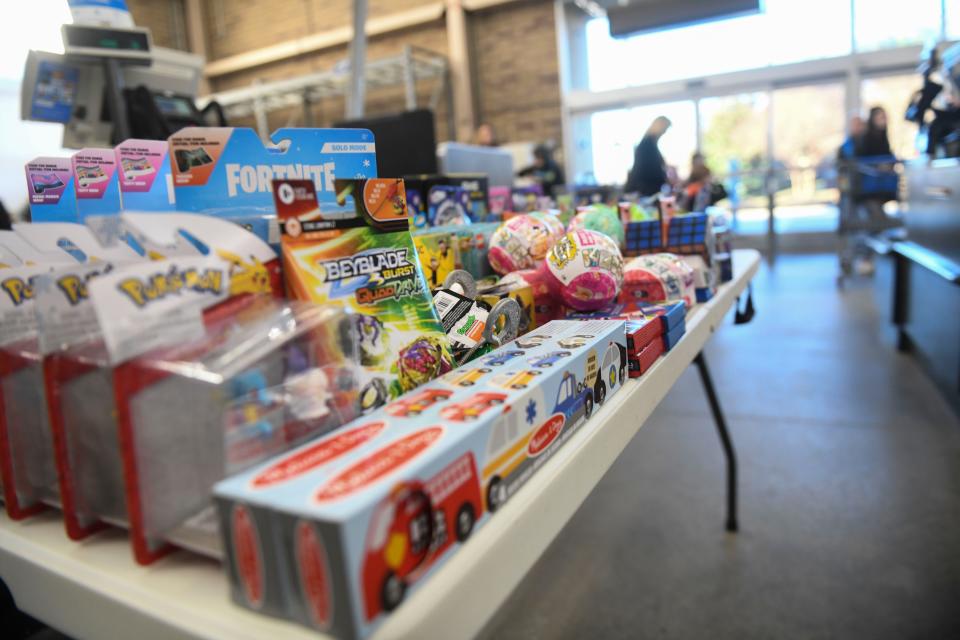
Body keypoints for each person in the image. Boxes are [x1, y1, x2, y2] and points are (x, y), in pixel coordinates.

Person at [625, 116, 671, 196]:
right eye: (665, 129)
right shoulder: (648, 144)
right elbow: (651, 169)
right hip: (644, 189)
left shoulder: (650, 143)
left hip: (645, 187)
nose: (664, 132)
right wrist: (665, 179)